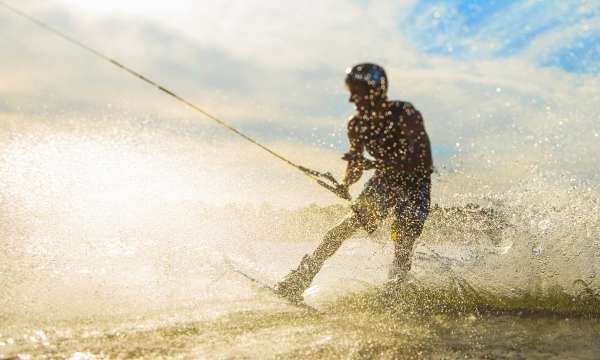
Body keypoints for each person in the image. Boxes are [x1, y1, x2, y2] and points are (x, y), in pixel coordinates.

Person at [274, 63, 433, 303]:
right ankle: (300, 279)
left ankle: (394, 293)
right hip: (385, 181)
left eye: (356, 92)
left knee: (402, 238)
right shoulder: (356, 125)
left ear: (375, 90)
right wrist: (346, 182)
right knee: (342, 228)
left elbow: (422, 159)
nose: (351, 99)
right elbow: (355, 163)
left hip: (415, 182)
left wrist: (374, 165)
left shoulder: (405, 114)